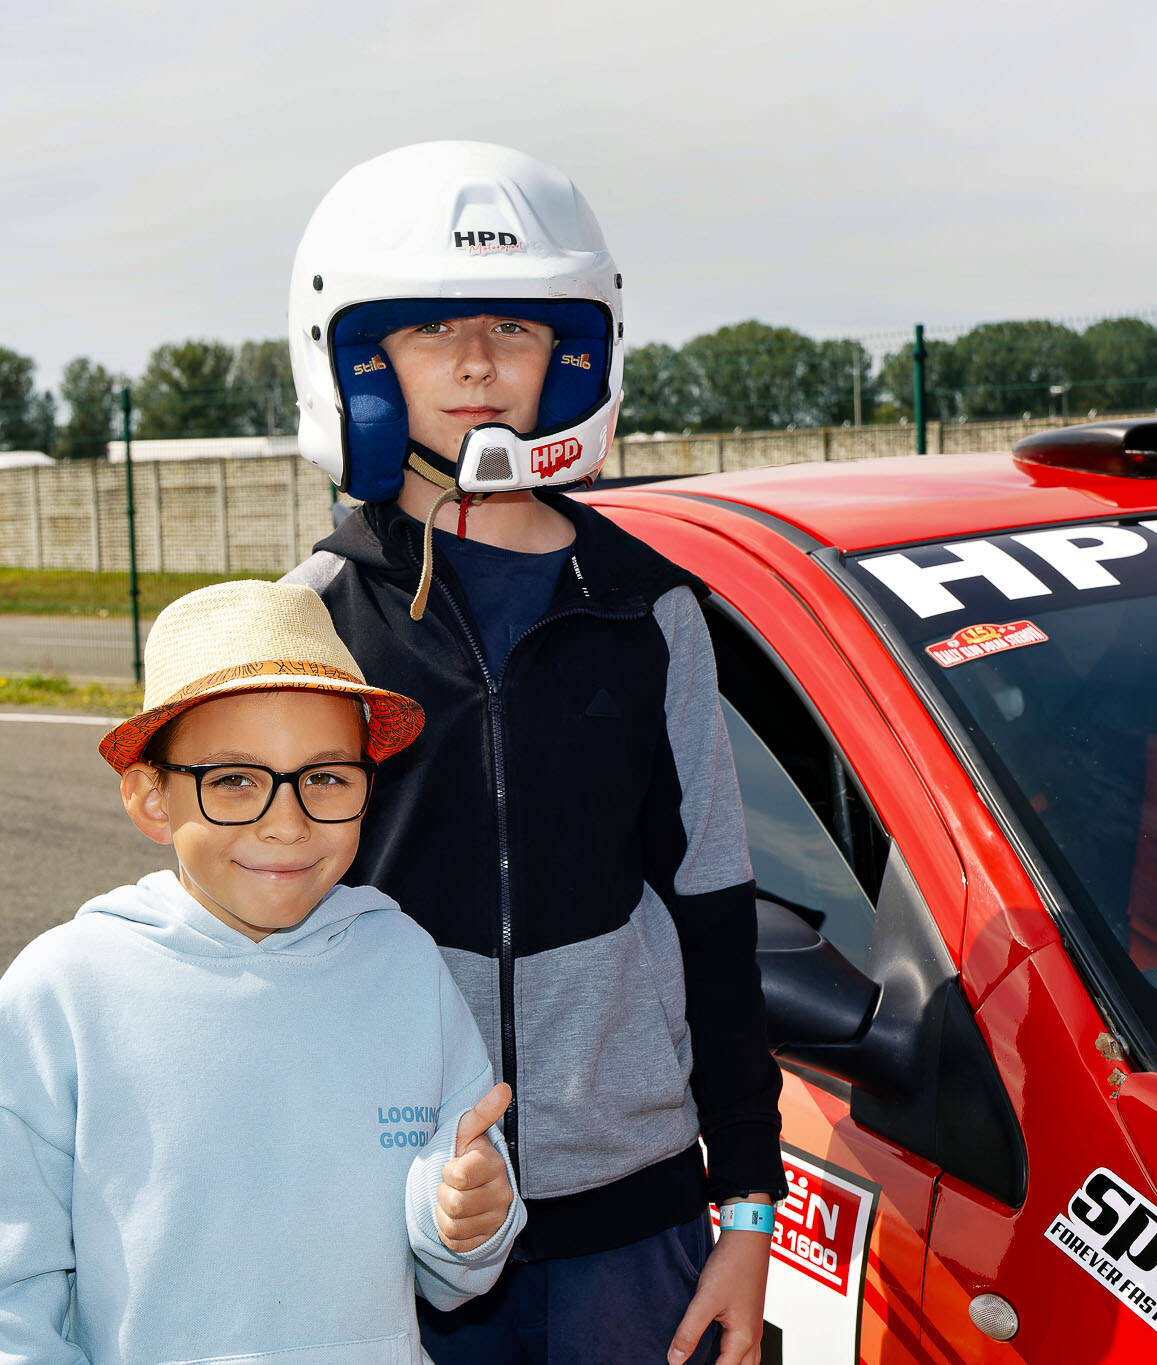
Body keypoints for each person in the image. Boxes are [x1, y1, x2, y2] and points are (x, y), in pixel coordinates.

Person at [284, 142, 784, 1365]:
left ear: (573, 354)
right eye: (427, 328)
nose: (474, 361)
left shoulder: (650, 609)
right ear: (357, 362)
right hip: (396, 1205)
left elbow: (714, 912)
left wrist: (746, 1210)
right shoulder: (308, 623)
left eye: (513, 324)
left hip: (631, 1208)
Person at [0, 579, 525, 1364]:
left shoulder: (405, 964)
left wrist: (467, 1213)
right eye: (235, 781)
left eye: (326, 777)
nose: (287, 822)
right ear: (151, 797)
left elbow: (454, 1251)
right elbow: (3, 1301)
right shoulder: (63, 991)